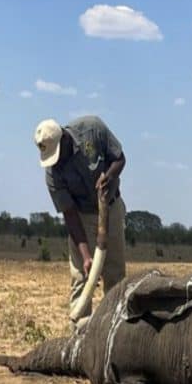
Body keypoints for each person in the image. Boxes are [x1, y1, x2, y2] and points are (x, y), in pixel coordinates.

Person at [34, 116, 127, 322]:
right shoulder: (53, 174)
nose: (55, 162)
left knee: (115, 275)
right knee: (81, 278)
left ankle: (115, 328)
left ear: (65, 139)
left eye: (57, 154)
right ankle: (79, 334)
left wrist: (110, 177)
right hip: (82, 217)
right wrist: (86, 256)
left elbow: (120, 159)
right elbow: (69, 214)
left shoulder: (92, 129)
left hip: (111, 208)